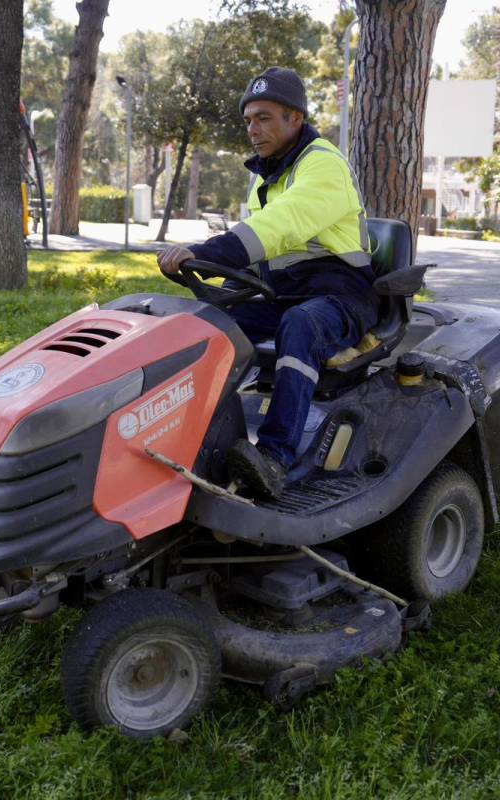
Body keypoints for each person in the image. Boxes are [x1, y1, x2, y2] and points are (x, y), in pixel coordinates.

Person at [157, 67, 376, 500]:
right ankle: (192, 433)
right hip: (285, 292)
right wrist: (216, 281)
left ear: (295, 118)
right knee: (209, 322)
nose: (253, 130)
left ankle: (275, 457)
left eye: (264, 118)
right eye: (248, 121)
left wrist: (208, 253)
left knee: (301, 325)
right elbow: (265, 248)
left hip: (341, 294)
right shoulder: (266, 174)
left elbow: (280, 225)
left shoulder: (323, 165)